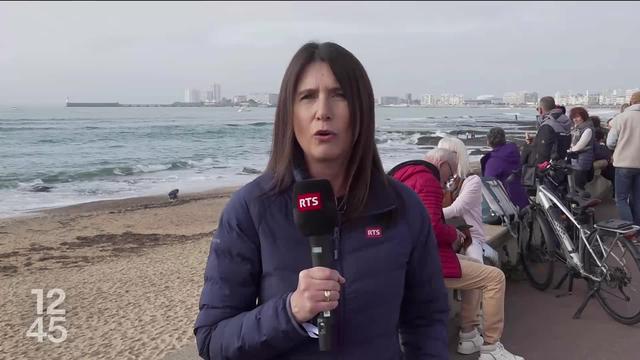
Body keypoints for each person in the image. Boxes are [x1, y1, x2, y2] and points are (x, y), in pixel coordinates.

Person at [193, 42, 449, 360]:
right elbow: (212, 339)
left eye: (339, 95)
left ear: (362, 110)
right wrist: (291, 310)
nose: (322, 111)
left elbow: (427, 320)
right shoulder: (250, 209)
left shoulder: (403, 207)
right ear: (290, 114)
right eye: (307, 96)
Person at [392, 148, 524, 360]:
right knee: (494, 278)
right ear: (442, 164)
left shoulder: (406, 177)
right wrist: (453, 233)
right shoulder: (428, 182)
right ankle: (491, 348)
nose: (450, 178)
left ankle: (469, 337)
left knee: (477, 269)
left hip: (411, 256)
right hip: (425, 261)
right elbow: (431, 228)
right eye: (450, 171)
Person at [437, 136, 488, 263]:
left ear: (457, 156)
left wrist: (429, 216)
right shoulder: (439, 180)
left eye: (445, 154)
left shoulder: (472, 180)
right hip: (446, 233)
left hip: (470, 236)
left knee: (477, 267)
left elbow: (457, 209)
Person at [607, 91, 640, 228]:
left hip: (624, 163)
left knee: (621, 199)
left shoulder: (621, 118)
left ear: (631, 102)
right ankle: (637, 230)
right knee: (637, 199)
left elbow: (610, 142)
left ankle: (629, 230)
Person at [481, 127, 529, 209]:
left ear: (489, 142)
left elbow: (488, 185)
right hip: (523, 198)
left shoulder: (493, 161)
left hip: (508, 205)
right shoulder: (513, 152)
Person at [531, 96, 572, 165]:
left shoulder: (548, 125)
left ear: (541, 109)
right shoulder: (564, 120)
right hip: (563, 162)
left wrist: (538, 169)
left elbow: (543, 151)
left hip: (550, 167)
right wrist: (536, 140)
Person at [567, 107, 595, 191]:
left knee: (579, 185)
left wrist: (570, 150)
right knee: (575, 184)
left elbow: (580, 146)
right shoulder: (576, 128)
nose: (575, 119)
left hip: (582, 161)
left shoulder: (588, 129)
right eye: (573, 117)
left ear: (584, 116)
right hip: (575, 160)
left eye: (578, 117)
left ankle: (583, 202)